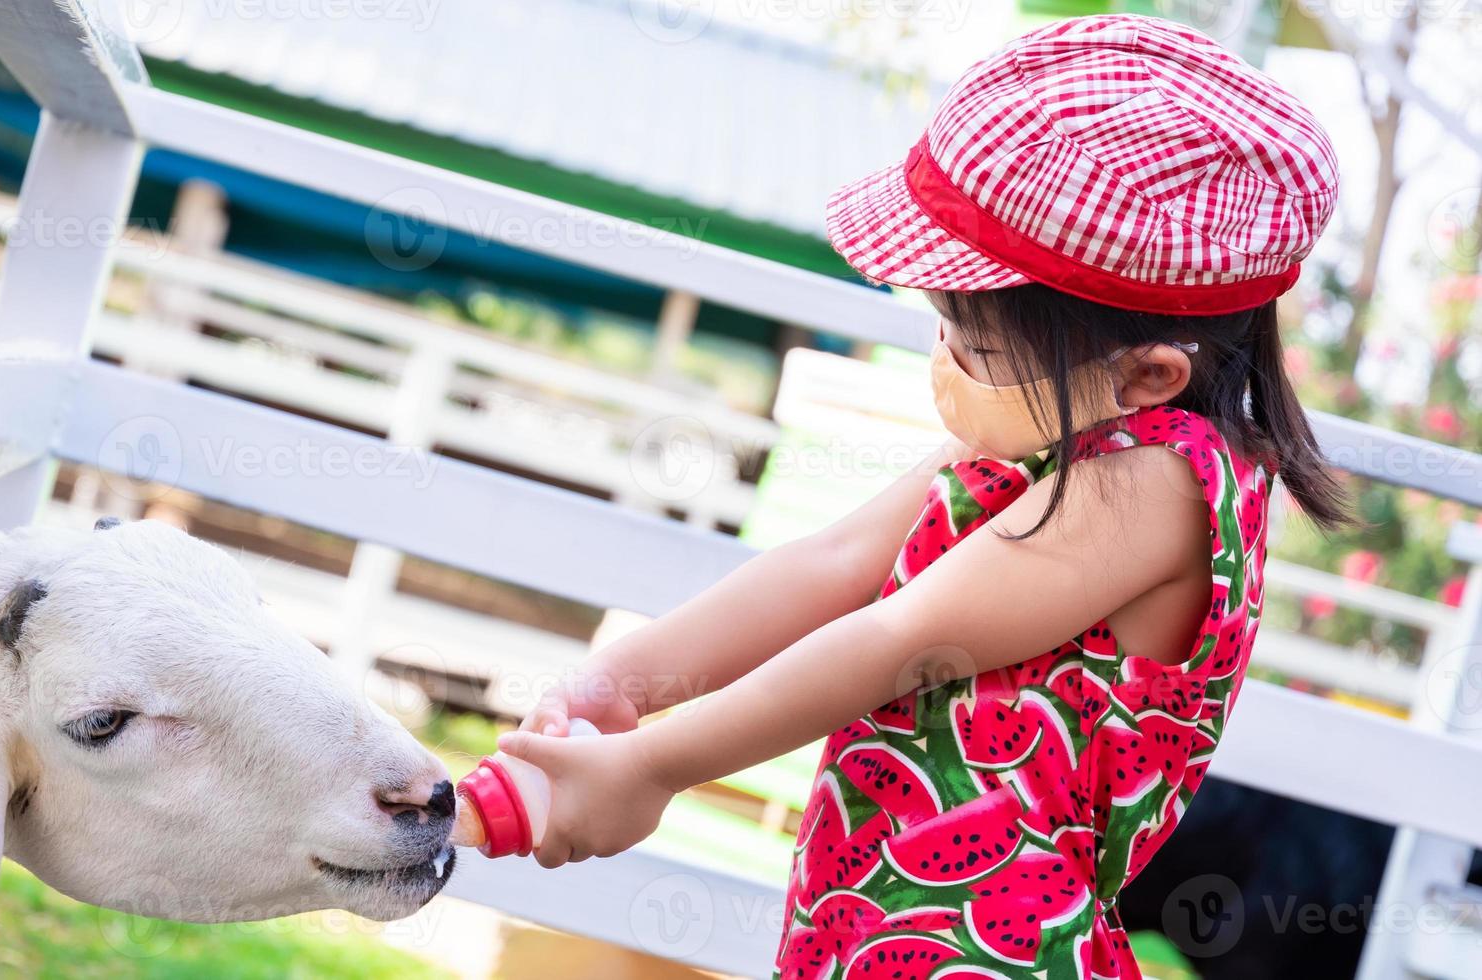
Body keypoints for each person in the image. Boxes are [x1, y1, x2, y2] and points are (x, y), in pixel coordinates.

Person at [495, 13, 1348, 977]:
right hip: (881, 927)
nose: (943, 361)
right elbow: (830, 564)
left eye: (975, 345)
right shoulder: (1047, 432)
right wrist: (619, 686)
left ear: (1148, 375)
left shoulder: (1159, 483)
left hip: (979, 950)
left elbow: (897, 642)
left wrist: (652, 770)